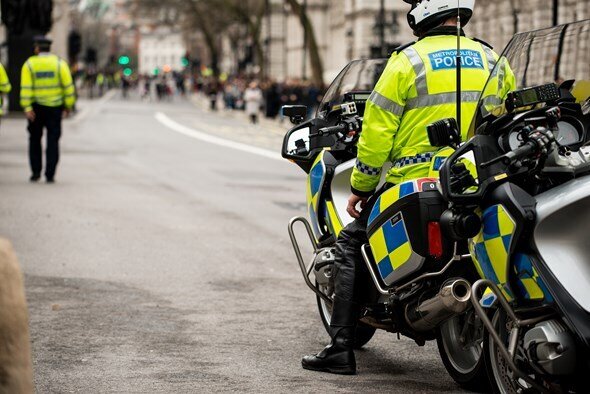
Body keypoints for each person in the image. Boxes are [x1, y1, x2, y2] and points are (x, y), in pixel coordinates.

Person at [301, 0, 500, 375]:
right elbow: (501, 118)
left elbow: (377, 133)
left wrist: (360, 186)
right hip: (473, 179)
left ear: (424, 12)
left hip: (413, 181)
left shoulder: (406, 62)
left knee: (348, 245)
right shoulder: (491, 59)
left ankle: (341, 348)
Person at [20, 36, 76, 183]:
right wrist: (68, 105)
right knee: (53, 141)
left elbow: (25, 88)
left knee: (34, 140)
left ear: (37, 48)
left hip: (35, 109)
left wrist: (26, 107)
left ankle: (36, 172)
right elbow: (68, 87)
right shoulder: (59, 64)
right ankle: (50, 174)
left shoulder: (29, 65)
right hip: (55, 108)